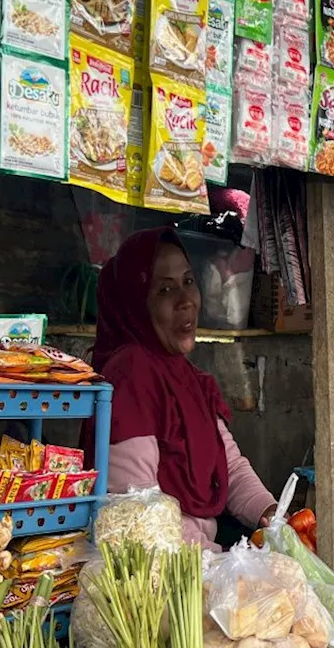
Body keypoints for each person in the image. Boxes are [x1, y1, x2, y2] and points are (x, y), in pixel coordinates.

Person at [92, 227, 278, 551]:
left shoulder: (191, 380)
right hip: (161, 567)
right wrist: (223, 561)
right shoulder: (130, 374)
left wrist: (272, 514)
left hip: (200, 554)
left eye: (189, 282)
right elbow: (138, 511)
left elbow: (229, 467)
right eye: (165, 290)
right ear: (137, 303)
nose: (186, 301)